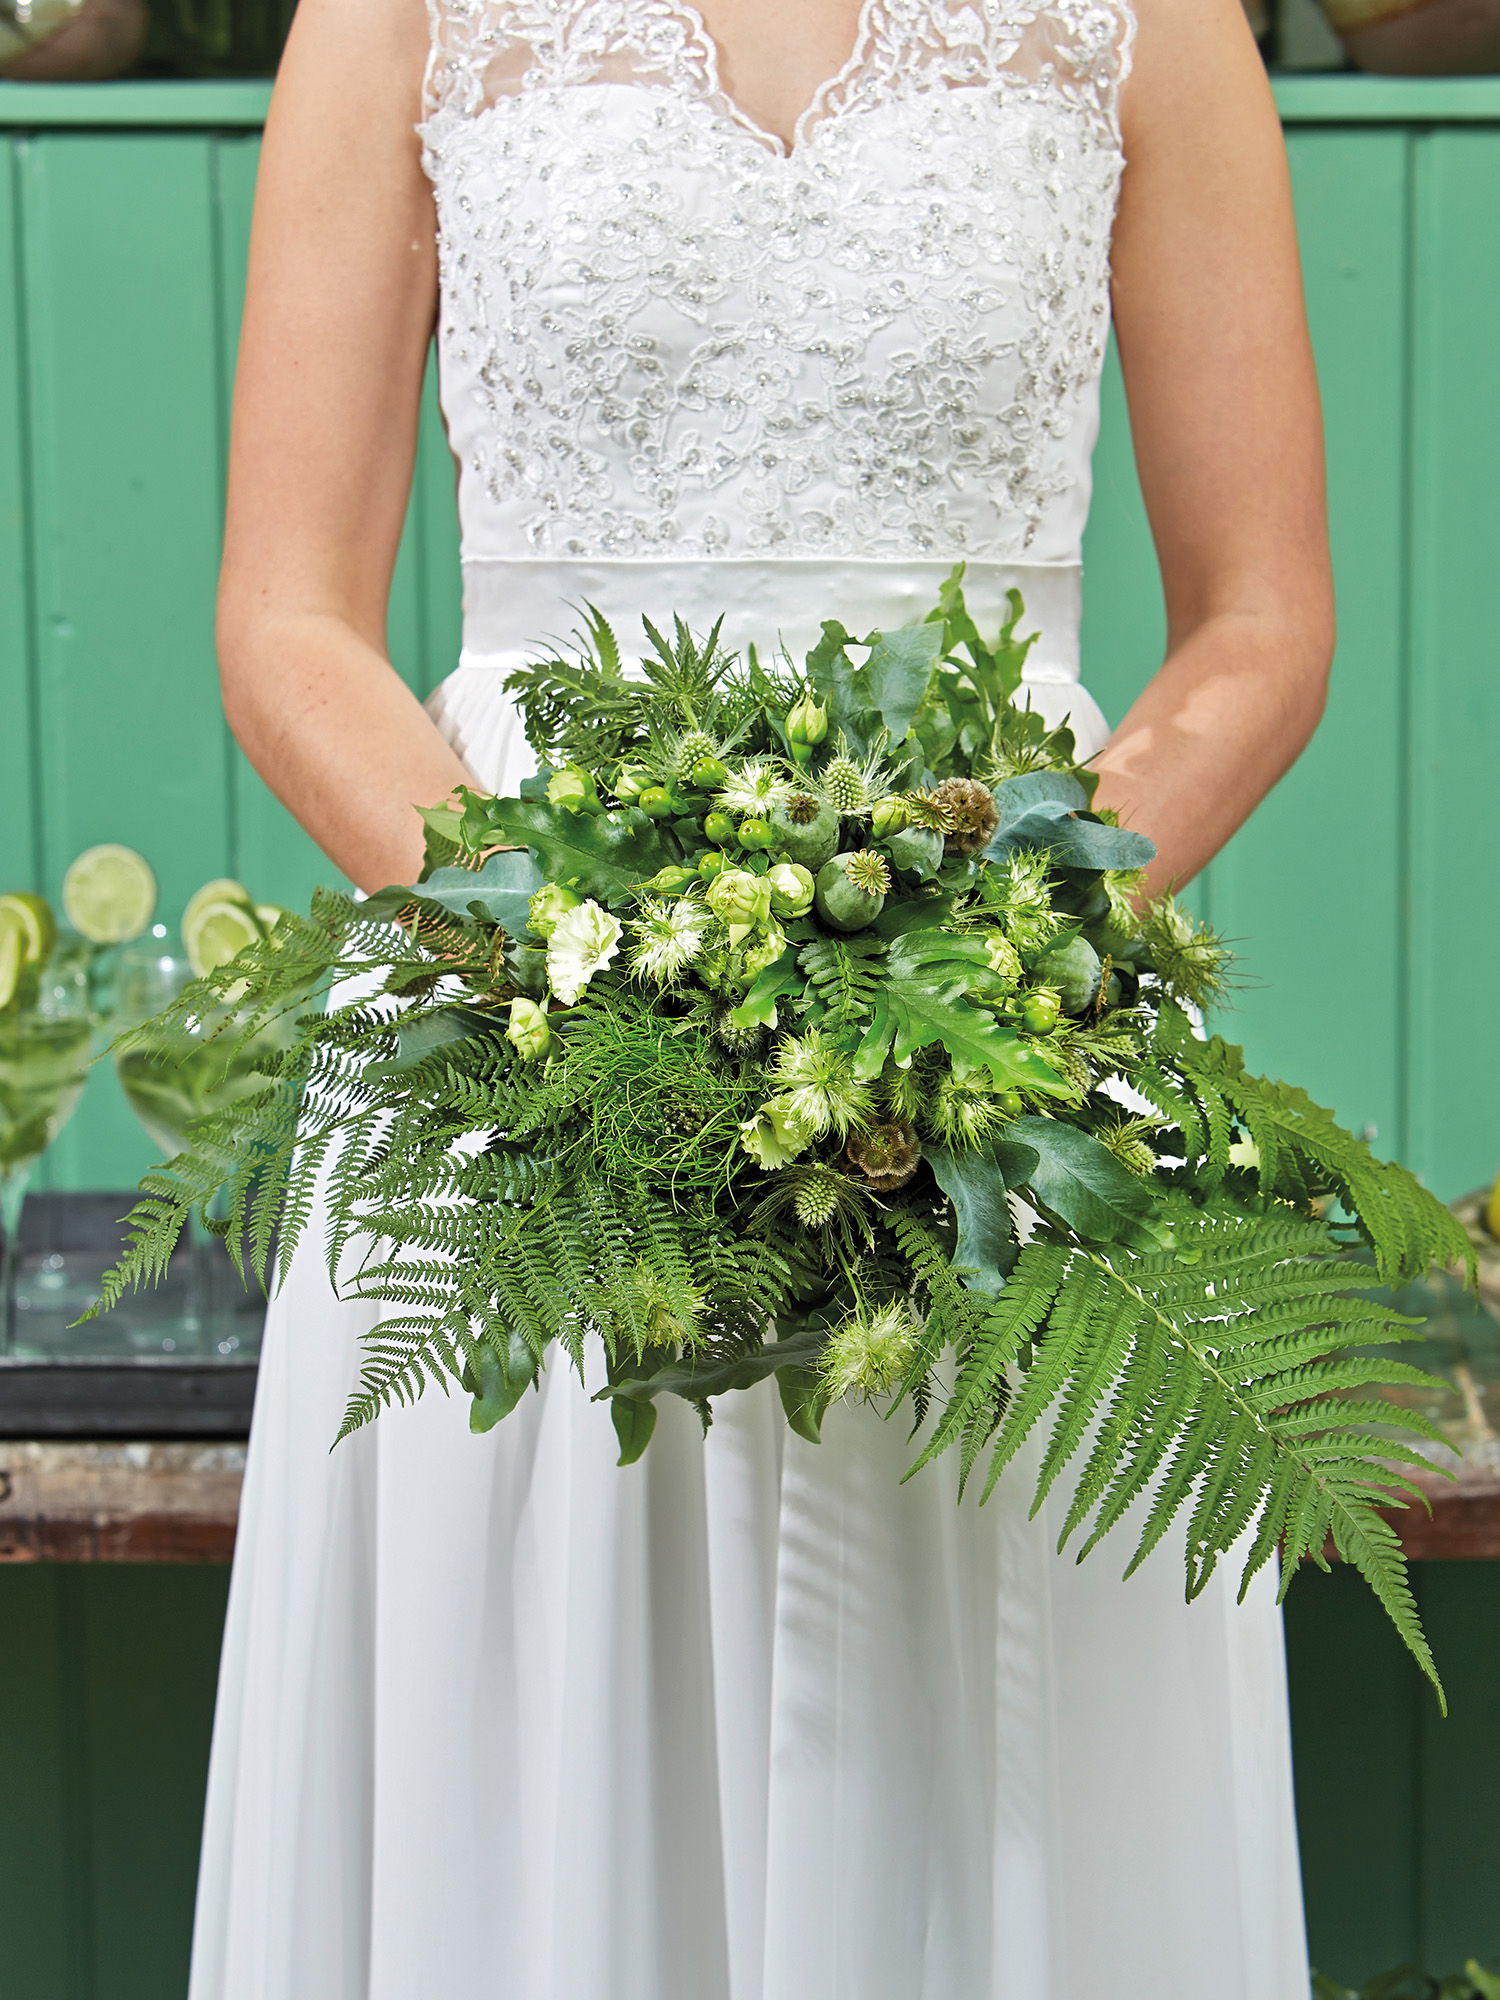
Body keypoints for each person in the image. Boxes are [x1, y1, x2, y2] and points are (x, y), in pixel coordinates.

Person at [193, 3, 1333, 1995]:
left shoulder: (1152, 20)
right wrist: (572, 950)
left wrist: (993, 959)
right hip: (524, 1051)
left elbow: (1263, 614)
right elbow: (286, 615)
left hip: (1004, 1041)